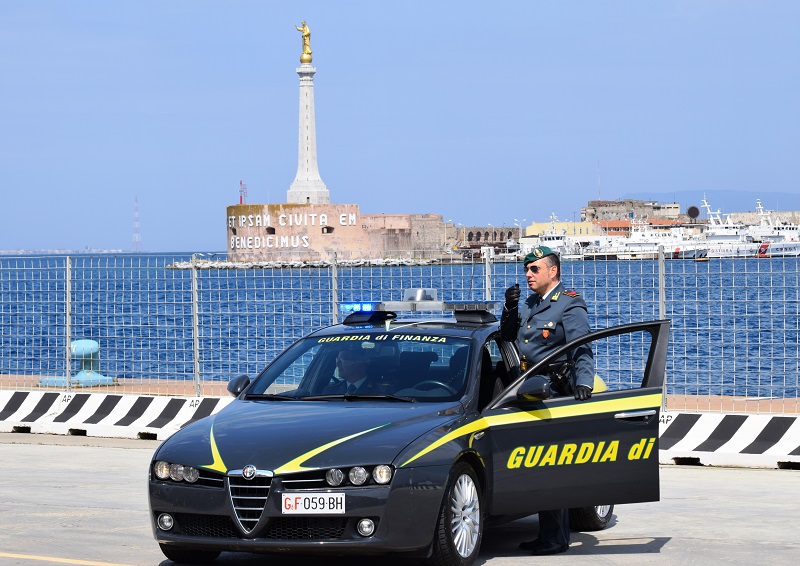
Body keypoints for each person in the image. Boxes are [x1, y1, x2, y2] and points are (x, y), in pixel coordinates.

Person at [499, 245, 594, 556]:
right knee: (532, 465)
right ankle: (545, 532)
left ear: (552, 271)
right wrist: (509, 308)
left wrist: (583, 383)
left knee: (549, 466)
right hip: (522, 388)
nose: (527, 274)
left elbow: (581, 347)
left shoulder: (569, 304)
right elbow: (507, 335)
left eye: (534, 269)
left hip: (551, 391)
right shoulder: (528, 304)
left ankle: (556, 538)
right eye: (526, 269)